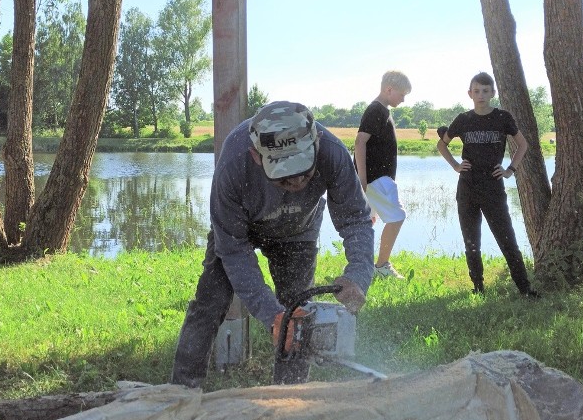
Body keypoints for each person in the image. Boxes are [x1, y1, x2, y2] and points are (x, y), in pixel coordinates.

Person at [171, 101, 375, 388]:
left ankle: (289, 398)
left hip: (298, 231)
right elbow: (233, 250)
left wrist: (359, 274)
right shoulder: (233, 163)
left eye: (304, 171)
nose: (297, 183)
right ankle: (182, 391)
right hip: (240, 229)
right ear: (257, 156)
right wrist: (271, 314)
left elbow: (355, 220)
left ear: (316, 142)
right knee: (210, 301)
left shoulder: (333, 152)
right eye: (284, 174)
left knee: (297, 316)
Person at [436, 71, 537, 297]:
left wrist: (510, 169)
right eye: (476, 91)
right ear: (470, 93)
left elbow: (522, 145)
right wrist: (455, 165)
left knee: (507, 238)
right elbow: (442, 145)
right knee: (472, 240)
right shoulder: (463, 120)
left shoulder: (502, 118)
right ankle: (478, 287)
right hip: (468, 187)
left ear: (493, 93)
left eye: (485, 91)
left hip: (493, 187)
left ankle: (525, 289)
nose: (481, 95)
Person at [353, 70, 412, 279]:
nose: (403, 100)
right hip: (376, 177)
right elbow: (360, 142)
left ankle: (364, 266)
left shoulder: (382, 110)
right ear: (389, 89)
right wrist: (362, 179)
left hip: (379, 178)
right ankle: (382, 266)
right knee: (397, 217)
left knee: (369, 222)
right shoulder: (376, 111)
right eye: (402, 94)